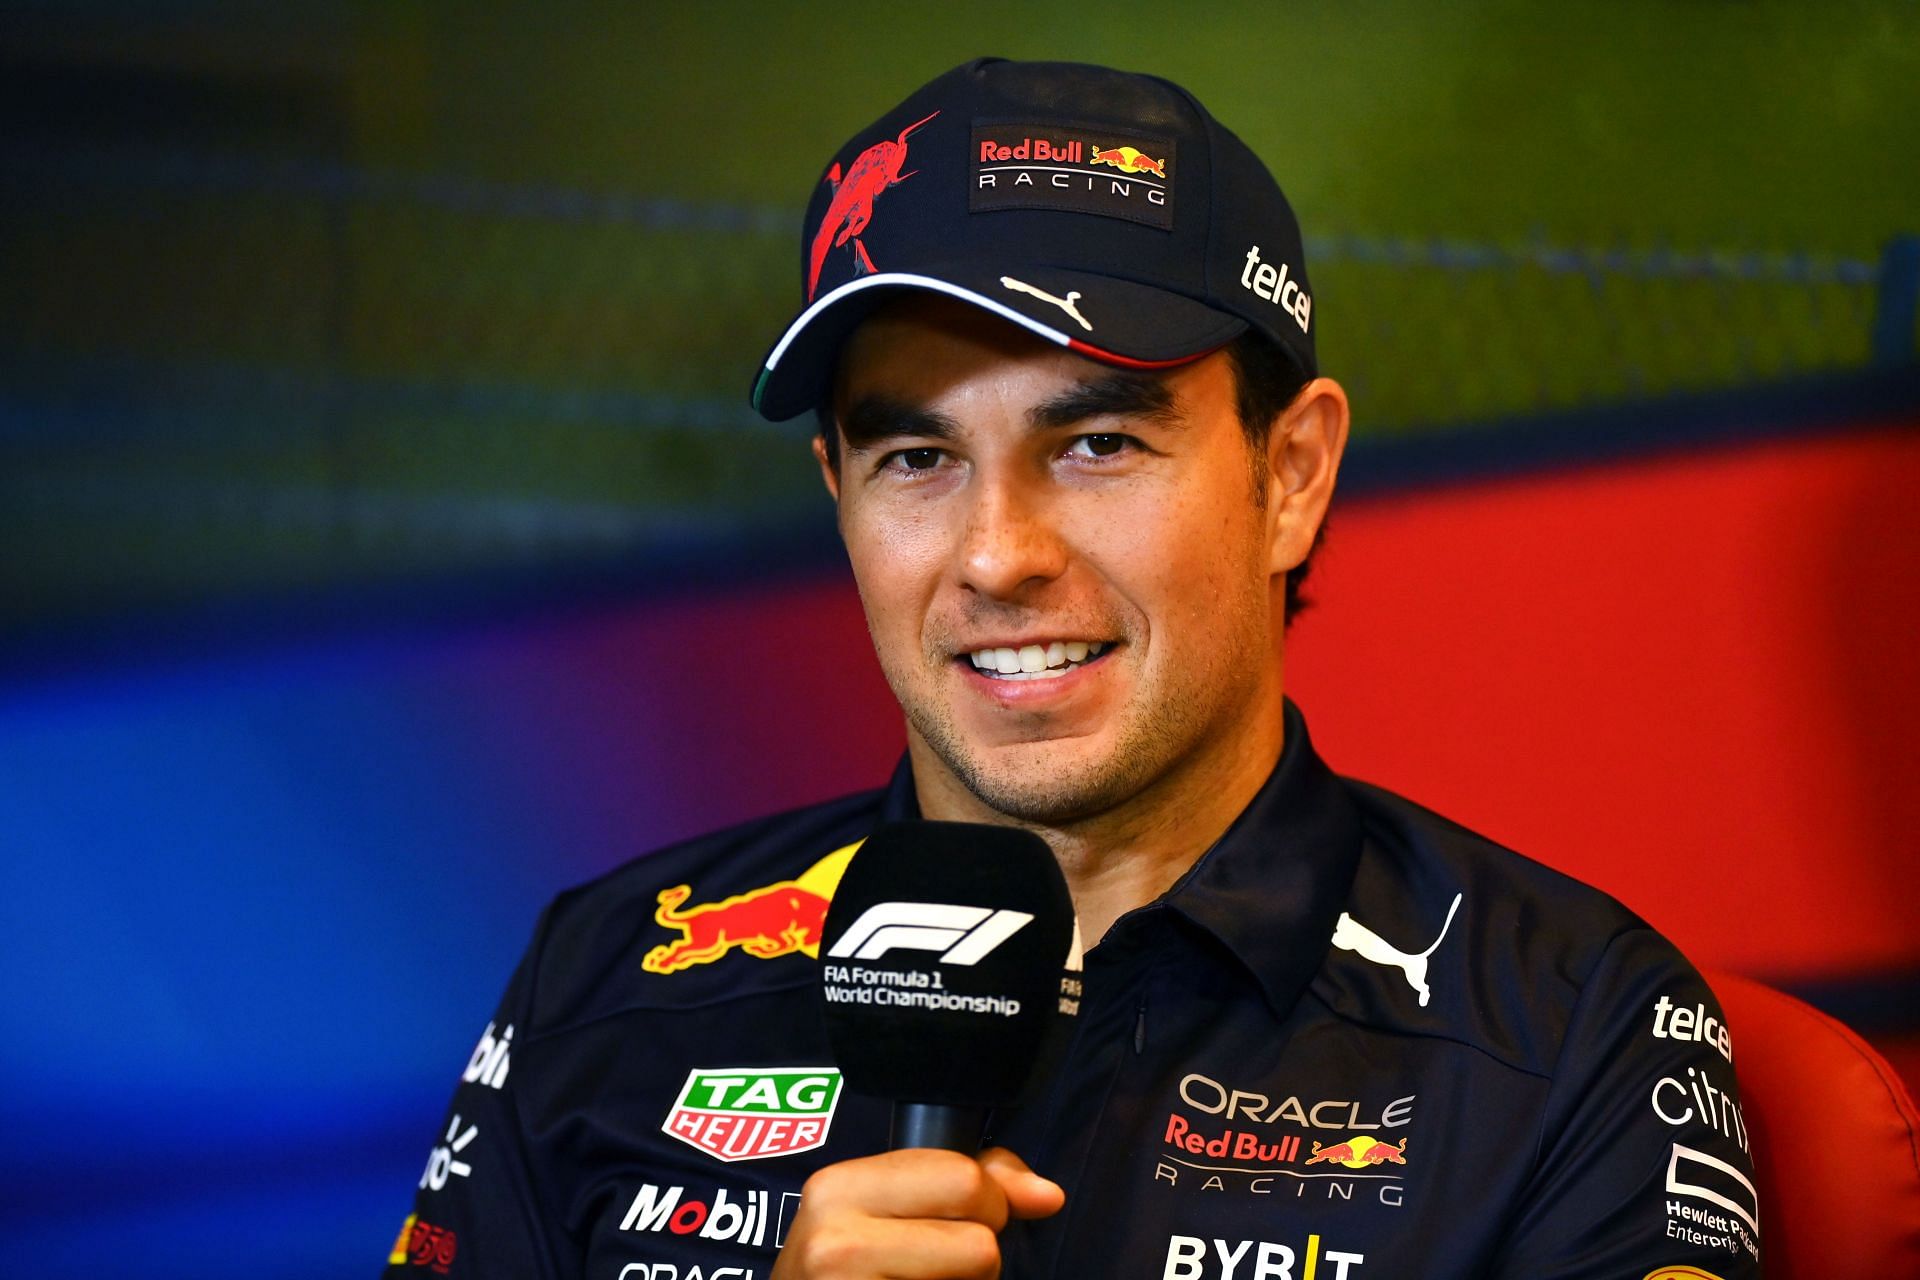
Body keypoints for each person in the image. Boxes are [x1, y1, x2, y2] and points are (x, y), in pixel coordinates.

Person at [383, 59, 1761, 1280]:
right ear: (837, 492)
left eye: (1097, 445)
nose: (995, 556)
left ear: (1291, 476)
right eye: (915, 458)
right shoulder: (607, 975)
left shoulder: (1572, 1028)